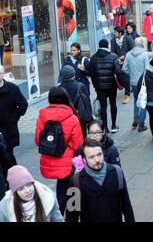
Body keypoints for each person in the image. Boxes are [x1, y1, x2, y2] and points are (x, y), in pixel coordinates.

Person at [34, 86, 84, 215]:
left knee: (60, 188)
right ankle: (65, 215)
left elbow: (37, 141)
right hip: (67, 162)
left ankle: (58, 213)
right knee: (72, 189)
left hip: (49, 159)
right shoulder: (72, 118)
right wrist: (80, 164)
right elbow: (78, 145)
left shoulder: (42, 116)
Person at [65, 139, 135, 222]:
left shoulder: (117, 172)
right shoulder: (75, 181)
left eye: (99, 154)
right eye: (91, 157)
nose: (97, 160)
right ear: (84, 159)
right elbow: (71, 215)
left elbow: (126, 205)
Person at [0, 65, 28, 180]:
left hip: (8, 131)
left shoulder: (12, 89)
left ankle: (13, 180)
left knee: (8, 157)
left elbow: (23, 105)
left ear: (2, 74)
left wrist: (13, 118)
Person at [90, 39, 122, 133]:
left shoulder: (93, 58)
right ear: (107, 45)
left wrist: (95, 85)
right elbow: (118, 72)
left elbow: (92, 74)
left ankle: (105, 128)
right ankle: (113, 125)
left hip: (99, 86)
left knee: (103, 106)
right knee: (113, 104)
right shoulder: (113, 57)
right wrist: (121, 83)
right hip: (111, 85)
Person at [122, 37, 149, 131]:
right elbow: (147, 69)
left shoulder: (129, 54)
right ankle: (141, 123)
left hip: (133, 81)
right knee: (143, 101)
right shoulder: (145, 54)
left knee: (136, 100)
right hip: (143, 81)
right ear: (142, 44)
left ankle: (135, 118)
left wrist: (132, 73)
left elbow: (124, 68)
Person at [59, 65, 90, 138]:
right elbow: (87, 102)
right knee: (81, 137)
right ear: (74, 74)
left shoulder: (59, 88)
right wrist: (89, 118)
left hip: (64, 119)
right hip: (79, 117)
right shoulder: (80, 86)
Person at [111, 26, 134, 104]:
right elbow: (112, 51)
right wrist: (117, 58)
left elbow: (132, 49)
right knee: (119, 76)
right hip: (118, 61)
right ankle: (126, 86)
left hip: (127, 61)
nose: (114, 34)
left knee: (126, 76)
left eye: (115, 32)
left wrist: (125, 56)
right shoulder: (113, 41)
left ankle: (127, 94)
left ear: (120, 33)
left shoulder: (128, 38)